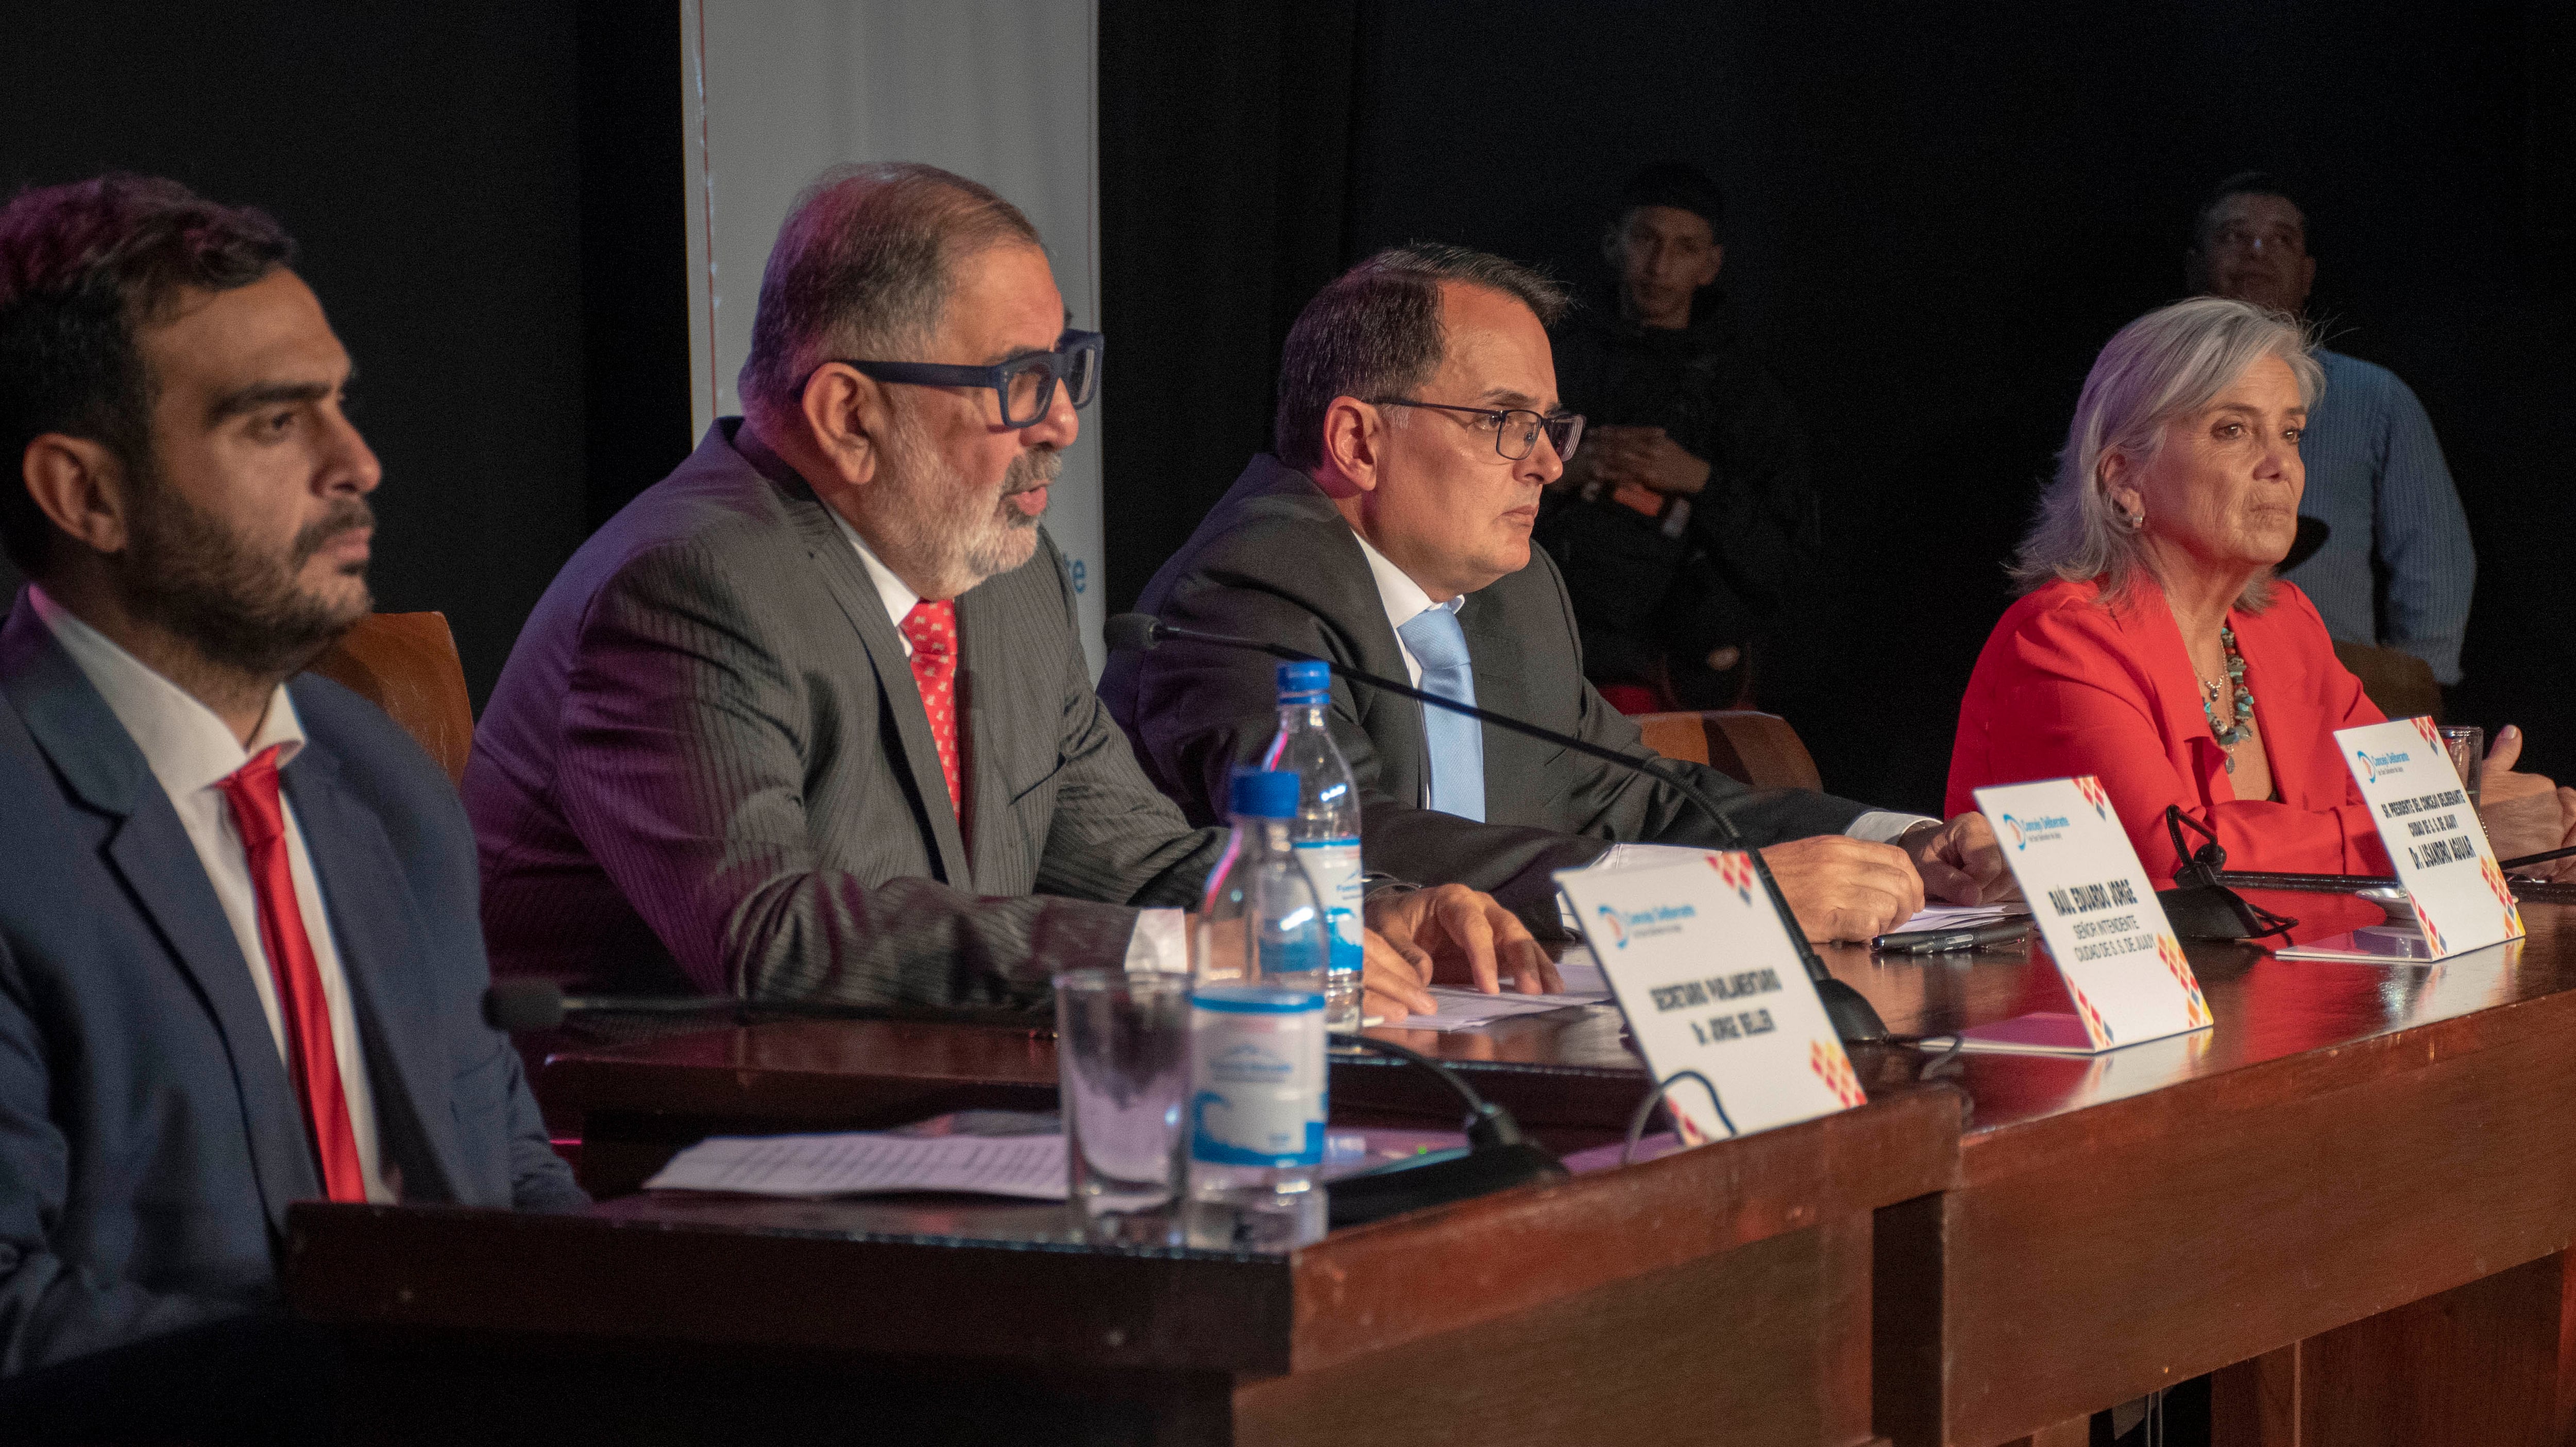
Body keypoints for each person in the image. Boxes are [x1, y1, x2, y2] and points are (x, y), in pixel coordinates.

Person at [469, 164, 1542, 1030]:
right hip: (643, 1143)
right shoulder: (690, 585)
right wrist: (1178, 951)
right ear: (849, 413)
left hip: (924, 1101)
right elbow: (769, 937)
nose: (1063, 423)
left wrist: (1355, 912)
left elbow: (1136, 859)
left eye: (1067, 369)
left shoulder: (1005, 574)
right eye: (1019, 382)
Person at [0, 176, 583, 1434]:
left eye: (341, 404)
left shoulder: (380, 775)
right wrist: (403, 1393)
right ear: (84, 494)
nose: (356, 462)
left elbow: (511, 1172)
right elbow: (13, 1319)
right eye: (274, 423)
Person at [1099, 244, 2011, 946]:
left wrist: (1899, 841)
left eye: (1549, 425)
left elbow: (1640, 798)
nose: (1547, 461)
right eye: (1505, 422)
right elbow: (1334, 847)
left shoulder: (1517, 591)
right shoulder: (1244, 594)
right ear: (1358, 440)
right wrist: (1726, 896)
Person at [1948, 296, 2573, 883]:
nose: (2280, 464)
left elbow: (2406, 794)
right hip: (2099, 997)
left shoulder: (2283, 623)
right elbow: (2177, 863)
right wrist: (2464, 826)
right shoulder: (2060, 640)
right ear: (2125, 478)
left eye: (2291, 433)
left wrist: (2538, 834)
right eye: (2232, 430)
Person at [1532, 161, 1820, 712]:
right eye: (1645, 239)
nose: (1659, 266)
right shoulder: (1550, 361)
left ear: (1710, 264)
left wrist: (1698, 480)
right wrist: (1564, 472)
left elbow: (1785, 566)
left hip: (1676, 676)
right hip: (1541, 646)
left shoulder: (1745, 395)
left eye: (1684, 248)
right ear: (1613, 243)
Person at [2186, 171, 2476, 688]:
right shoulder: (2150, 391)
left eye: (2279, 239)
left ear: (2306, 274)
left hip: (2333, 681)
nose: (2255, 252)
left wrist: (2408, 684)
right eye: (2232, 235)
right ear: (2195, 263)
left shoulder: (2371, 397)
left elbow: (2435, 558)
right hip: (2183, 668)